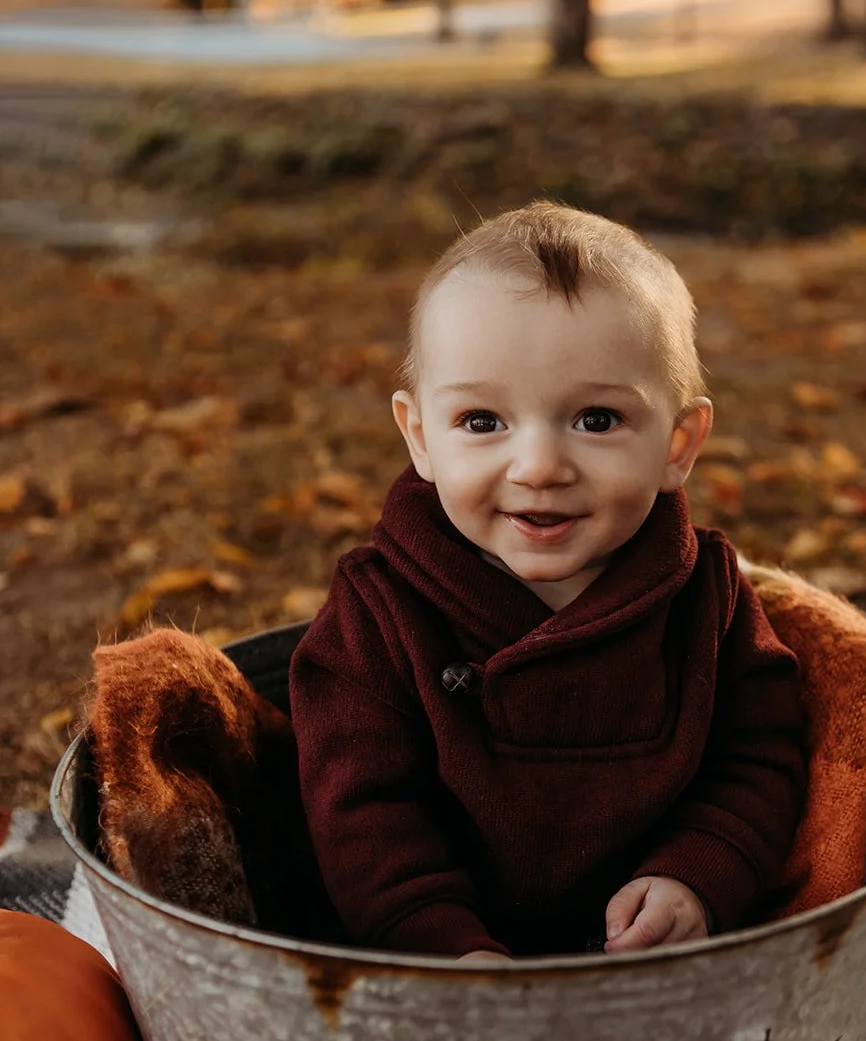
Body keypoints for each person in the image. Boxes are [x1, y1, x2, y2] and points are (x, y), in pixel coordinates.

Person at [289, 203, 806, 961]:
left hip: (651, 969)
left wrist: (697, 874)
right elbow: (362, 813)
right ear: (420, 437)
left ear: (677, 444)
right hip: (432, 976)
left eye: (595, 420)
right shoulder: (378, 611)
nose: (537, 467)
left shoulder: (704, 596)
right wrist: (438, 942)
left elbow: (759, 755)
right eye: (480, 421)